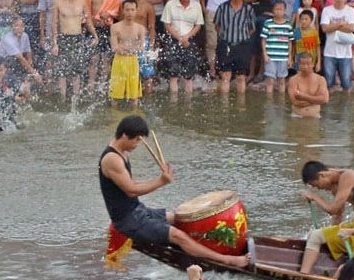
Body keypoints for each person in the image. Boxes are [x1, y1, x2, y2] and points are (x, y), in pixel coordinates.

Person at [98, 114, 250, 268]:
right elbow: (131, 190)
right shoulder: (112, 159)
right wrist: (161, 181)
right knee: (179, 236)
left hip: (137, 210)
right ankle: (227, 260)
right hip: (127, 220)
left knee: (180, 219)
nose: (137, 144)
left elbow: (129, 184)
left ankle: (205, 250)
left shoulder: (122, 153)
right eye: (137, 140)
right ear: (124, 135)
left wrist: (160, 178)